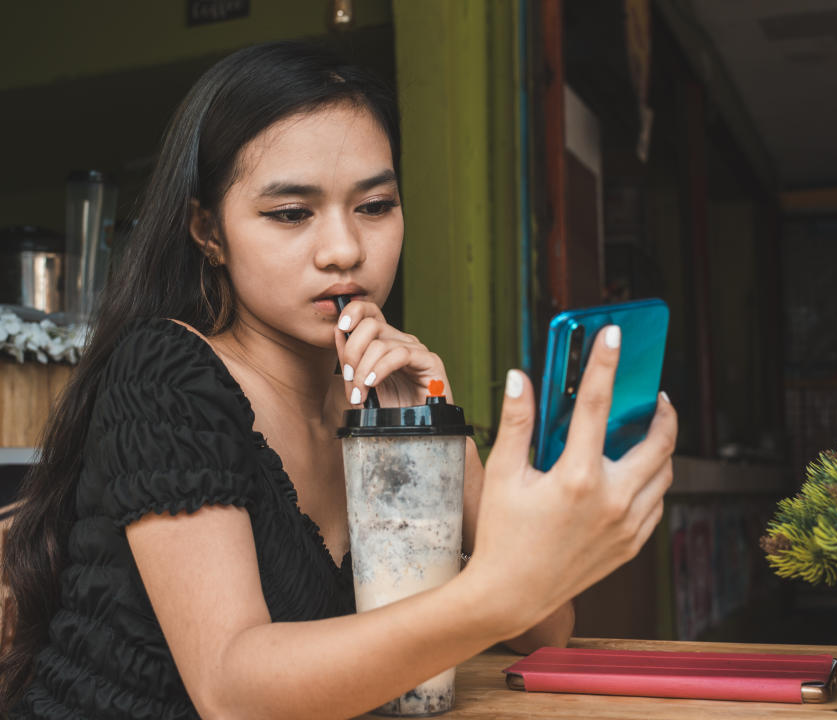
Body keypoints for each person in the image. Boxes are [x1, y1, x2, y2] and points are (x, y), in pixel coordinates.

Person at [0, 41, 677, 719]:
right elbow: (232, 693)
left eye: (375, 205)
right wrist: (492, 593)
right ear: (207, 231)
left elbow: (544, 629)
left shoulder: (378, 393)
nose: (345, 250)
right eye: (292, 214)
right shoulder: (164, 375)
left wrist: (436, 430)